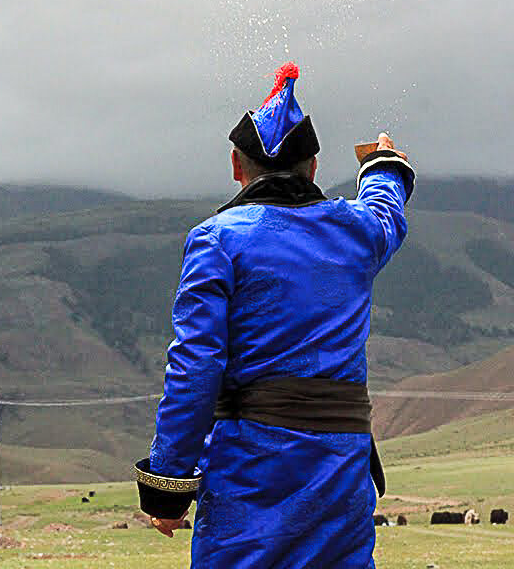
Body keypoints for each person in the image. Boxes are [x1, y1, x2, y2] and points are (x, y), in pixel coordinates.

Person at [133, 62, 415, 568]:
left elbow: (196, 366)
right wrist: (385, 163)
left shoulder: (216, 241)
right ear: (313, 167)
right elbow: (385, 206)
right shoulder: (358, 234)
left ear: (236, 167)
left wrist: (167, 488)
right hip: (342, 473)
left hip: (252, 470)